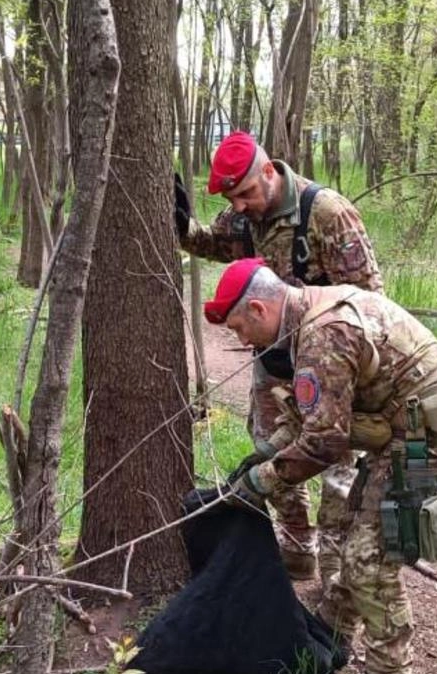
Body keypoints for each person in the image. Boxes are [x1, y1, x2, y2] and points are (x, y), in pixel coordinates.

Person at [204, 258, 437, 674]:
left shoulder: (322, 335)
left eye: (240, 328)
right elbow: (311, 418)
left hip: (431, 440)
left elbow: (324, 442)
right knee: (358, 536)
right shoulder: (310, 316)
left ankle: (389, 665)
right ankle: (328, 640)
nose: (244, 341)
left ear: (259, 310)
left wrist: (261, 481)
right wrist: (263, 455)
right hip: (403, 432)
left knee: (370, 558)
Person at [174, 130, 383, 586]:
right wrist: (183, 228)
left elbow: (369, 302)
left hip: (331, 365)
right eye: (233, 199)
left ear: (269, 172)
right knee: (271, 452)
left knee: (335, 465)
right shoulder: (243, 215)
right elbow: (216, 244)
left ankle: (337, 578)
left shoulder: (327, 213)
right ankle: (298, 549)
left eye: (246, 193)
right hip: (273, 364)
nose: (241, 205)